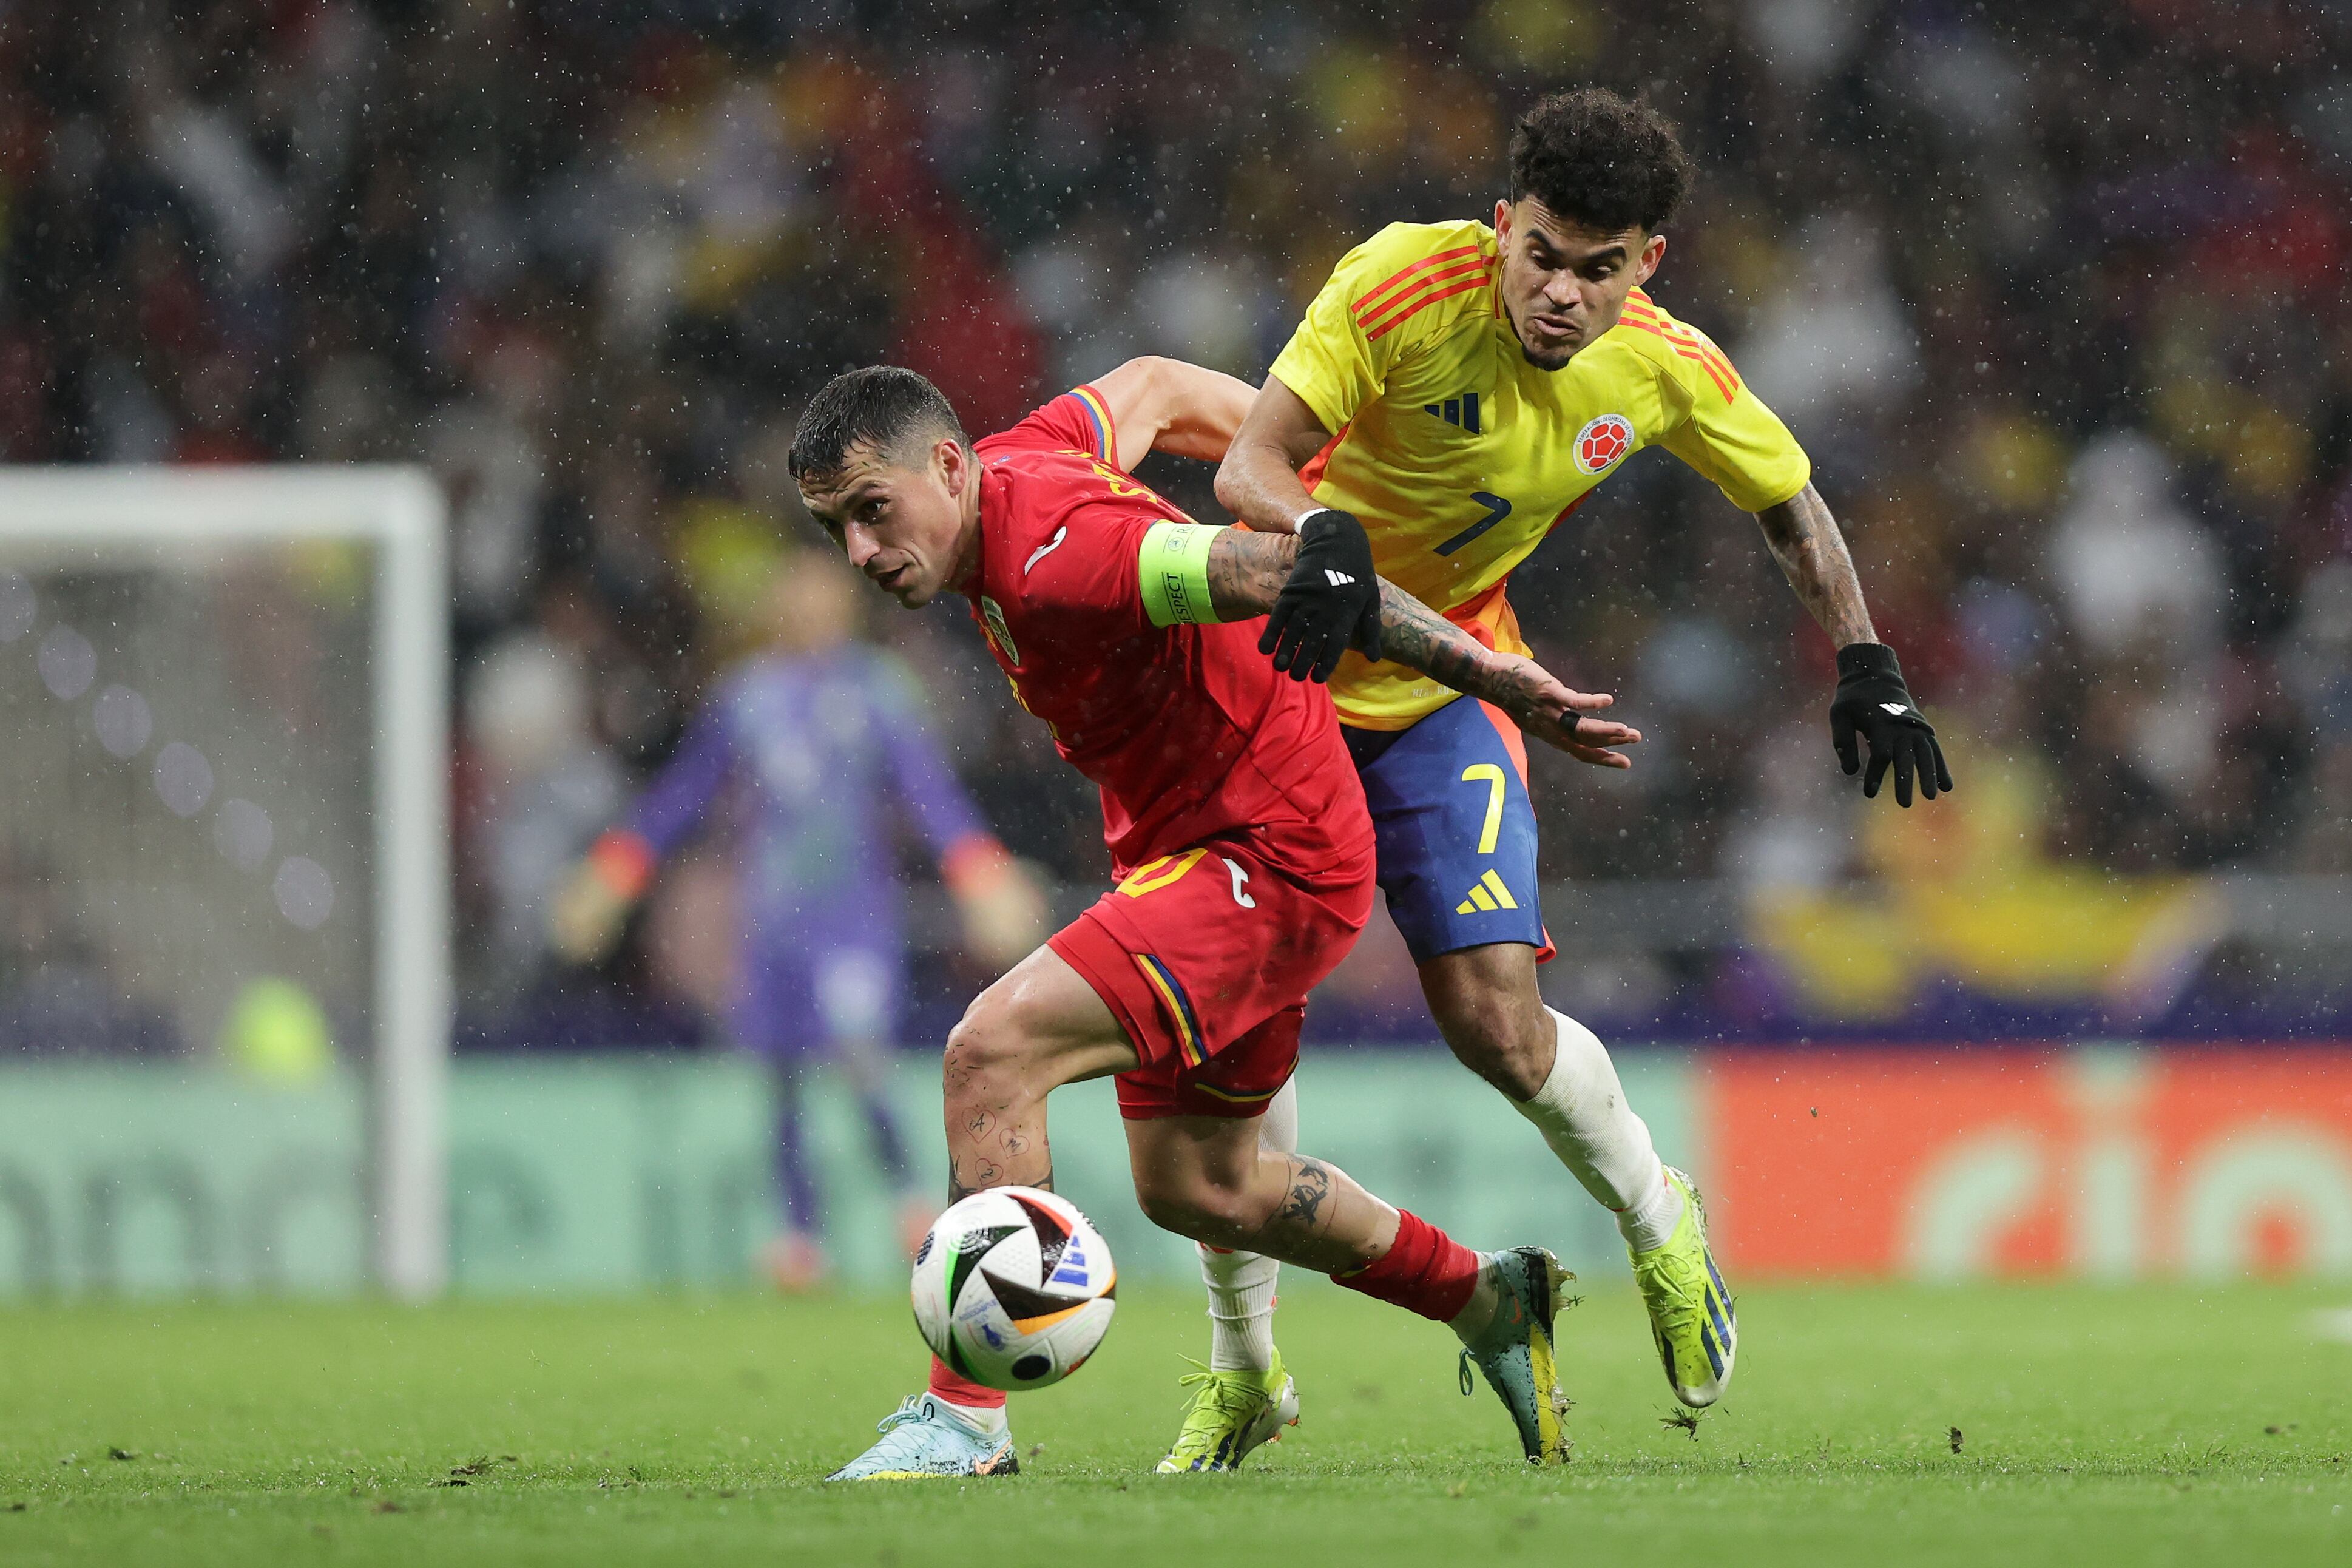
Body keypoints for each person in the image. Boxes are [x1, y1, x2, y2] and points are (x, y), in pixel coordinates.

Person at [1175, 86, 1956, 1465]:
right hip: (1280, 678)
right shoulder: (1399, 283)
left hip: (1444, 683)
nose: (1559, 293)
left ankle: (1659, 1220)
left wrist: (1862, 654)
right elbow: (1248, 463)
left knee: (1495, 1024)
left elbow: (1788, 501)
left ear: (1645, 264)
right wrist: (1328, 537)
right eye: (1540, 254)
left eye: (1598, 269)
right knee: (1238, 1020)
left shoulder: (1663, 367)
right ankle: (1244, 1365)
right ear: (1502, 228)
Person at [794, 356, 1643, 1479]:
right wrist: (1289, 458)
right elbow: (1147, 385)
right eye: (834, 528)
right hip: (1195, 846)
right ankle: (1486, 1296)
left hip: (1265, 850)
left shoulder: (1061, 557)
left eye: (871, 510)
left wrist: (1482, 667)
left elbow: (1264, 569)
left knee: (990, 1052)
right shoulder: (1023, 456)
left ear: (946, 467)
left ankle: (964, 1423)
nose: (859, 551)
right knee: (1201, 1184)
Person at [550, 553, 1046, 1289]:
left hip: (852, 921)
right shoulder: (747, 697)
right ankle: (798, 1237)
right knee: (781, 1077)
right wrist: (615, 871)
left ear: (844, 608)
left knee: (858, 1056)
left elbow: (926, 791)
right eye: (795, 599)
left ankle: (914, 1202)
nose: (808, 613)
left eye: (821, 600)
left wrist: (979, 870)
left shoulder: (876, 690)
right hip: (772, 924)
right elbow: (681, 797)